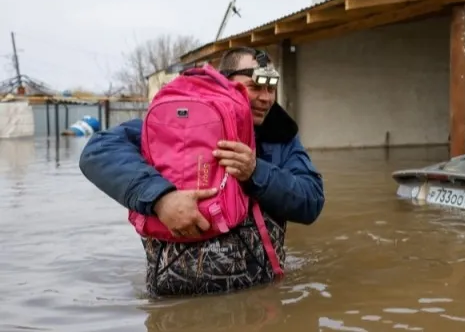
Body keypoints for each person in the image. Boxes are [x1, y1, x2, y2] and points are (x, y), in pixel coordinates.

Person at [78, 47, 325, 297]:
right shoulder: (169, 125)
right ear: (223, 83)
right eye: (254, 87)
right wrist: (161, 199)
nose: (266, 98)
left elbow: (312, 200)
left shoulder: (281, 136)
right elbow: (96, 152)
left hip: (261, 298)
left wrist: (256, 172)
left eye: (271, 89)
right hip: (171, 302)